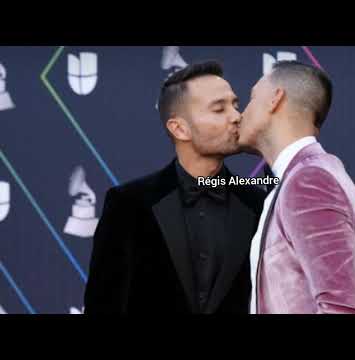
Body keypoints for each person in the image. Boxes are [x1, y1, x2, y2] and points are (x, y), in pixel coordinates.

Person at [84, 61, 266, 314]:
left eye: (235, 105)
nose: (237, 116)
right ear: (179, 128)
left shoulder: (258, 204)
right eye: (219, 109)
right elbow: (104, 304)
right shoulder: (129, 204)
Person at [238, 60, 355, 314]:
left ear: (275, 99)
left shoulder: (309, 181)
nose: (241, 114)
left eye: (251, 98)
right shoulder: (306, 175)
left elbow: (344, 309)